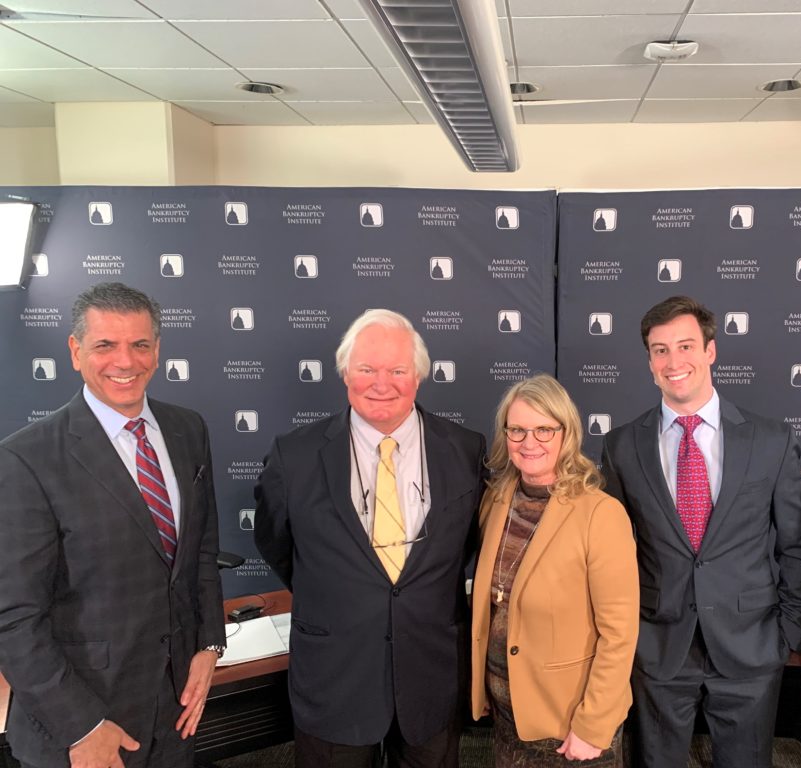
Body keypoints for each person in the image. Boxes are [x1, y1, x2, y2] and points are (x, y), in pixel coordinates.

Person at [0, 282, 226, 768]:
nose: (126, 361)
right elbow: (13, 619)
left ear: (157, 350)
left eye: (140, 344)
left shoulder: (189, 429)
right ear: (76, 351)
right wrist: (83, 726)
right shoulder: (25, 458)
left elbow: (201, 553)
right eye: (106, 345)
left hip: (174, 715)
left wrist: (209, 644)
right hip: (82, 727)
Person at [255, 308, 487, 768]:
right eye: (367, 369)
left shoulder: (465, 449)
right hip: (334, 679)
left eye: (397, 370)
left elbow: (465, 546)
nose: (382, 383)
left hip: (430, 677)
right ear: (345, 373)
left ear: (419, 376)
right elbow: (278, 546)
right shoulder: (294, 455)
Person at [601, 295, 801, 768]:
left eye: (685, 346)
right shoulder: (622, 445)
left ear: (710, 350)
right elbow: (612, 554)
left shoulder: (770, 439)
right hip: (658, 646)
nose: (674, 362)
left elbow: (798, 544)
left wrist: (789, 631)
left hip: (751, 643)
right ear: (649, 361)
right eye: (660, 350)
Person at [470, 374, 639, 766]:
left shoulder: (600, 514)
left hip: (569, 725)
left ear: (567, 433)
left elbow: (620, 633)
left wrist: (593, 726)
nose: (529, 443)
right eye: (518, 430)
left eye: (544, 429)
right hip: (508, 717)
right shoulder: (496, 501)